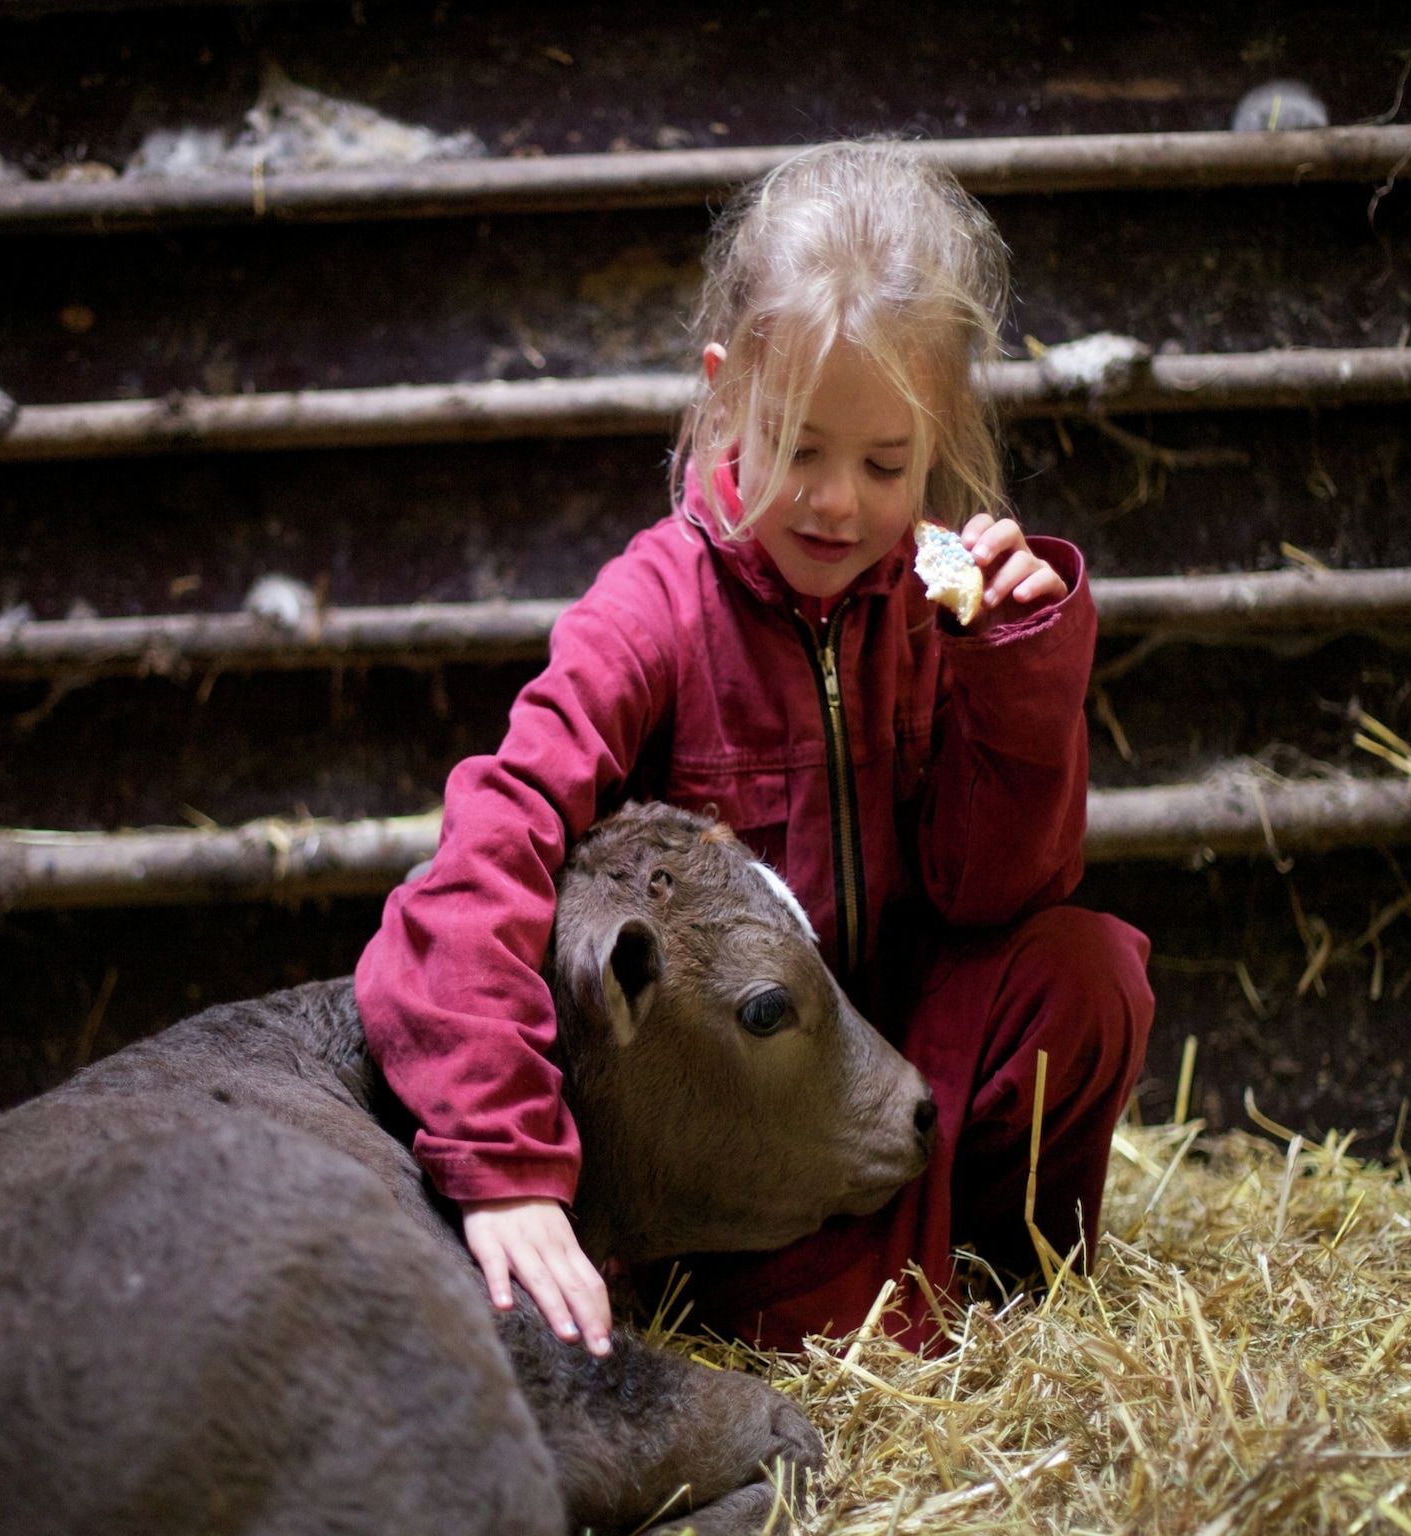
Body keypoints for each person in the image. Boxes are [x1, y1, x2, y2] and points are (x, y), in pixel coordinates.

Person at [354, 139, 1155, 1358]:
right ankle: (894, 1285)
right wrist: (505, 1160)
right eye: (795, 448)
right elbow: (478, 861)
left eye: (885, 463)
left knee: (1086, 974)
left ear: (933, 432)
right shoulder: (651, 612)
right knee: (826, 1328)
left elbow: (997, 891)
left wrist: (1021, 665)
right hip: (753, 1112)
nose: (836, 502)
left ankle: (1001, 1293)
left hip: (882, 1075)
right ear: (725, 395)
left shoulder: (939, 595)